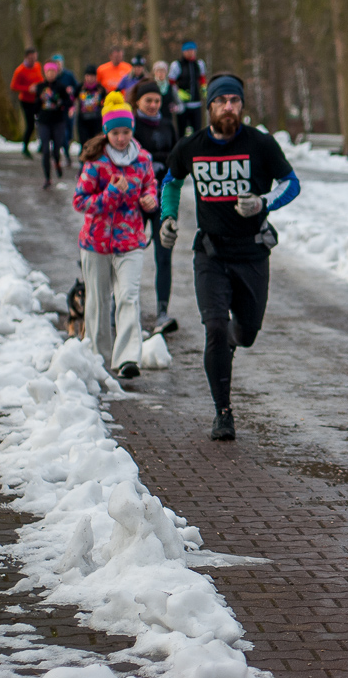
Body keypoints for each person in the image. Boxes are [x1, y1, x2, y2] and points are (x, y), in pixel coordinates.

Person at [158, 74, 300, 441]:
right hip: (211, 252)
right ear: (210, 107)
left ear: (241, 106)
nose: (228, 107)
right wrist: (168, 217)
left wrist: (263, 202)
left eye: (235, 101)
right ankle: (223, 411)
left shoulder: (260, 144)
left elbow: (292, 183)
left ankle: (235, 341)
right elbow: (171, 182)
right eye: (221, 101)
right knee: (216, 327)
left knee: (246, 333)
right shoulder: (192, 146)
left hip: (252, 252)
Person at [72, 92, 158, 379]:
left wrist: (150, 199)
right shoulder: (96, 162)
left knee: (128, 297)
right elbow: (80, 201)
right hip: (96, 243)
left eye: (126, 132)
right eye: (115, 133)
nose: (121, 138)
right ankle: (98, 358)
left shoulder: (142, 159)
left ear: (132, 130)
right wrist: (111, 192)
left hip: (130, 241)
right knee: (98, 302)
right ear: (106, 133)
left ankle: (127, 359)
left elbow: (150, 185)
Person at [132, 80, 181, 335]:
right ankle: (121, 304)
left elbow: (176, 158)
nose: (153, 105)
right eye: (148, 101)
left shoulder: (167, 125)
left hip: (163, 198)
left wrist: (159, 163)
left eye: (157, 101)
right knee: (129, 254)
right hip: (136, 200)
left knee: (164, 256)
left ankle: (162, 311)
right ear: (137, 102)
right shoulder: (130, 126)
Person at [34, 62, 74, 189]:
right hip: (44, 122)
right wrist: (39, 102)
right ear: (45, 73)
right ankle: (47, 178)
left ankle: (57, 162)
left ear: (56, 73)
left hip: (58, 122)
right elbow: (35, 105)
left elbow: (69, 102)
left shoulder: (61, 87)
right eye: (48, 72)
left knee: (56, 149)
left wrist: (61, 103)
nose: (50, 74)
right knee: (45, 150)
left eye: (53, 71)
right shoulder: (40, 87)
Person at [10, 47, 45, 159]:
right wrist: (27, 88)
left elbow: (41, 80)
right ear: (26, 57)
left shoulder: (38, 66)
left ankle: (42, 144)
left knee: (42, 121)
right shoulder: (20, 70)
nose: (33, 60)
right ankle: (25, 147)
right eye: (31, 58)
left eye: (35, 58)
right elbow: (13, 86)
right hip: (26, 101)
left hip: (38, 99)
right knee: (30, 125)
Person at [168, 40, 207, 137]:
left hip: (196, 103)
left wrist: (204, 87)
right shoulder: (177, 65)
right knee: (182, 132)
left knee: (197, 131)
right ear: (183, 51)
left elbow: (202, 78)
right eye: (188, 50)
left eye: (193, 50)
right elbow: (171, 82)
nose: (191, 52)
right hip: (183, 104)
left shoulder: (199, 64)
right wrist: (178, 92)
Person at [51, 53, 79, 166]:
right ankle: (65, 155)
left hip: (69, 107)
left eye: (59, 63)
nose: (58, 65)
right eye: (55, 63)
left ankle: (64, 150)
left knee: (69, 133)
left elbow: (77, 88)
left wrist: (72, 90)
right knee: (63, 133)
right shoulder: (52, 78)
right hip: (57, 109)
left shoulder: (69, 75)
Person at [75, 65, 107, 149]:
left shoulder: (100, 89)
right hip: (83, 120)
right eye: (88, 76)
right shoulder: (80, 88)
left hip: (96, 120)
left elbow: (106, 101)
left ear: (96, 77)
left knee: (96, 143)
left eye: (92, 76)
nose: (90, 78)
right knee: (84, 143)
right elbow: (72, 99)